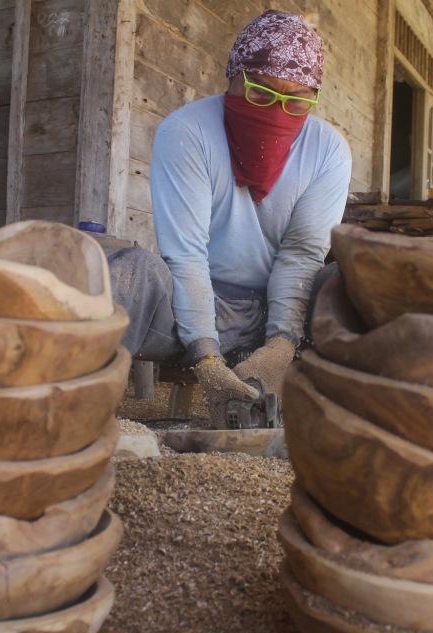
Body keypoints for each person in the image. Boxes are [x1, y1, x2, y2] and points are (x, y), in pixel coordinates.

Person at [108, 10, 352, 427]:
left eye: (296, 100)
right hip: (189, 308)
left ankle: (355, 416)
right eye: (260, 94)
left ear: (313, 97)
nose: (277, 112)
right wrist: (205, 356)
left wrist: (279, 346)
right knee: (129, 275)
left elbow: (302, 253)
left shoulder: (328, 149)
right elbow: (185, 253)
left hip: (280, 311)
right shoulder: (187, 131)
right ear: (233, 79)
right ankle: (75, 411)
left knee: (346, 284)